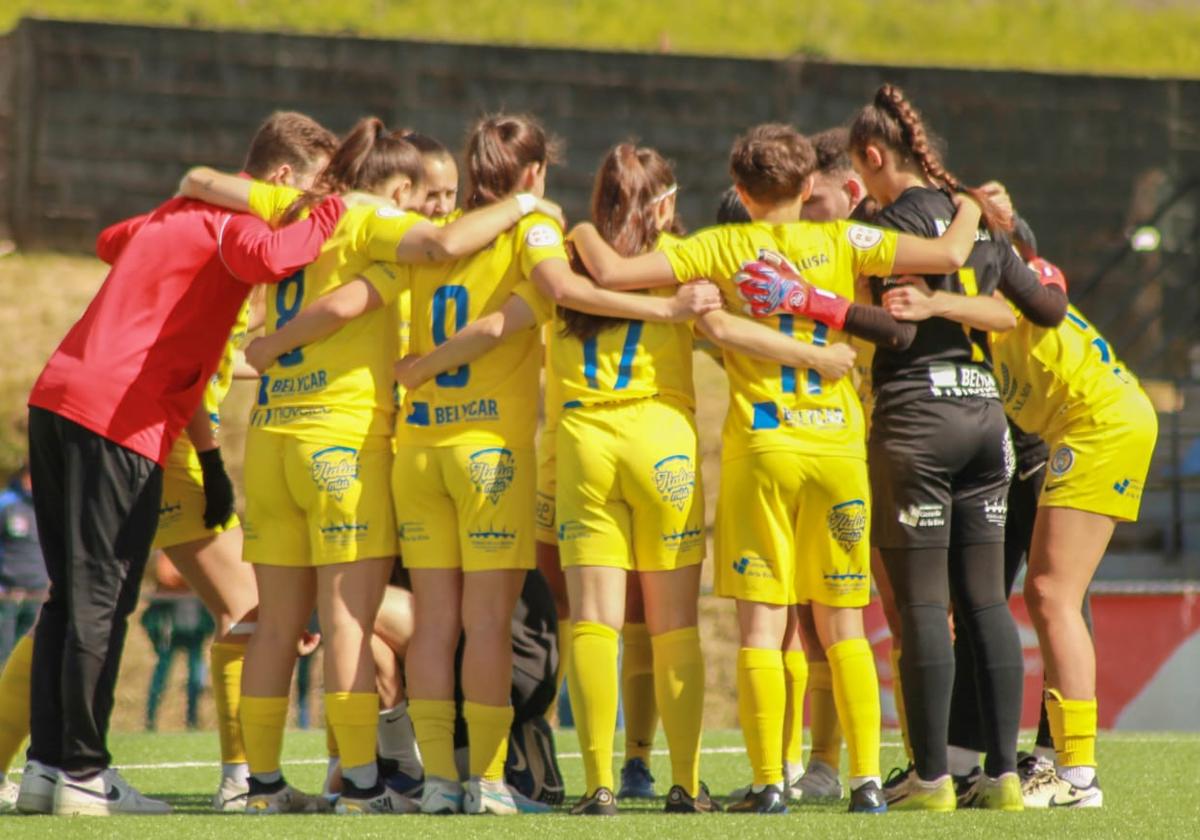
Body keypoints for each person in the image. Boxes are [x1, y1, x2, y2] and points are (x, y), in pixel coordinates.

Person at [255, 112, 721, 816]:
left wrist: (285, 350)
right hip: (488, 454)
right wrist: (666, 310)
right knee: (488, 623)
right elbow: (525, 311)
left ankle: (435, 781)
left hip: (414, 450)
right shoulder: (531, 229)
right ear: (532, 175)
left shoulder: (428, 239)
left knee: (434, 625)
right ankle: (492, 782)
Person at [568, 121, 985, 814]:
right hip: (836, 450)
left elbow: (610, 272)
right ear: (808, 187)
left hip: (763, 449)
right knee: (844, 624)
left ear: (739, 190)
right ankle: (867, 782)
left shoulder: (721, 245)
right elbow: (950, 249)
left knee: (763, 626)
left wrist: (572, 230)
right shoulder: (845, 238)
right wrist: (966, 198)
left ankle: (770, 783)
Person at [180, 116, 569, 816]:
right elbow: (422, 258)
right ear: (387, 186)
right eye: (411, 192)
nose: (419, 206)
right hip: (351, 440)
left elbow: (203, 180)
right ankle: (385, 783)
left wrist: (266, 351)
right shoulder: (375, 226)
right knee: (363, 620)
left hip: (273, 437)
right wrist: (525, 202)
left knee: (277, 624)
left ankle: (258, 785)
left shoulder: (297, 208)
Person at [17, 113, 346, 816]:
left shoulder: (182, 211)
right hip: (117, 415)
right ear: (281, 179)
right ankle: (82, 771)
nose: (321, 200)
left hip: (58, 399)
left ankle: (48, 766)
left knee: (71, 597)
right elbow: (272, 257)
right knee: (102, 599)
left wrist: (190, 195)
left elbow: (112, 241)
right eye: (316, 187)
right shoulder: (233, 226)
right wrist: (345, 210)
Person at [837, 83, 1067, 811]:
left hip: (917, 419)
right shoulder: (982, 231)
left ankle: (932, 778)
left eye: (858, 172)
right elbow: (1035, 308)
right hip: (985, 416)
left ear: (875, 157)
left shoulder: (876, 228)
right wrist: (981, 218)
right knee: (985, 605)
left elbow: (896, 328)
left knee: (924, 603)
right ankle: (1002, 777)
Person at [987, 272, 1158, 808]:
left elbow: (994, 305)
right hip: (1092, 423)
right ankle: (1066, 764)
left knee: (1052, 595)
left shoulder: (985, 280)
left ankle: (1077, 773)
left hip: (1096, 424)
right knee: (1048, 594)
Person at [140, 553, 215, 732]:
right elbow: (167, 576)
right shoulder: (167, 551)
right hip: (169, 622)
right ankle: (150, 720)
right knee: (163, 671)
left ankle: (192, 719)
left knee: (196, 673)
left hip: (195, 621)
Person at [0, 463, 46, 667]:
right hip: (7, 596)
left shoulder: (47, 509)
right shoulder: (6, 504)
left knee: (23, 660)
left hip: (35, 597)